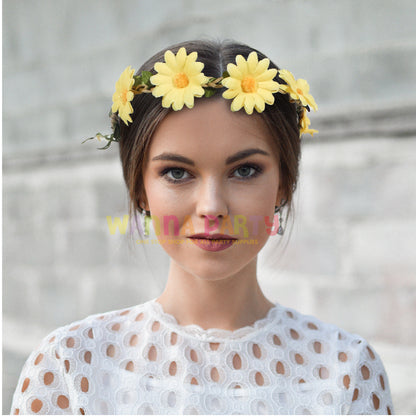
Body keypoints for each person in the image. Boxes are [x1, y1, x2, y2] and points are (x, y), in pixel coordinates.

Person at [10, 39, 394, 415]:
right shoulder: (70, 368)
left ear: (283, 185)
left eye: (244, 171)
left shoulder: (346, 372)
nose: (212, 207)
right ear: (139, 190)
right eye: (177, 173)